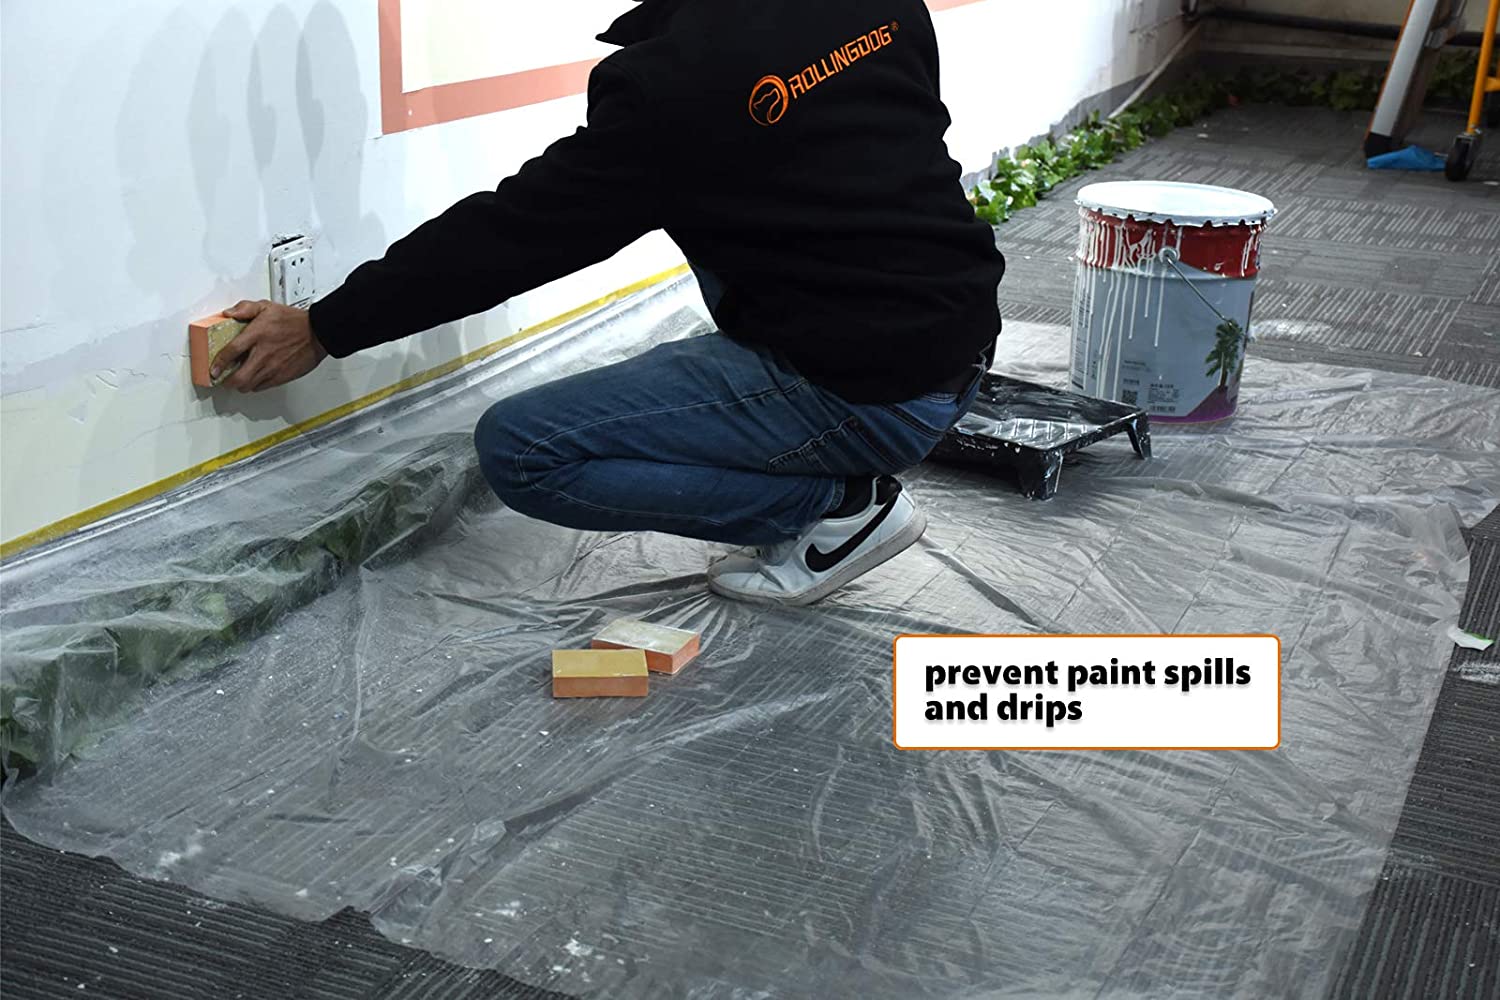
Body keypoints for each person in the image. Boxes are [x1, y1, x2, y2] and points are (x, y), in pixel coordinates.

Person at [211, 0, 1006, 606]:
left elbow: (520, 231)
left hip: (873, 387)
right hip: (964, 329)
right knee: (749, 198)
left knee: (523, 450)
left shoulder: (677, 86)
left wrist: (325, 326)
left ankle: (838, 509)